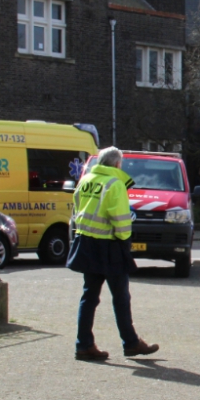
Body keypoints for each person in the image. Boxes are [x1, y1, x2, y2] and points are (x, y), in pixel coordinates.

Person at [67, 147, 159, 361]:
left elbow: (77, 206)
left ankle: (83, 345)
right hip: (109, 245)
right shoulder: (114, 184)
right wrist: (125, 241)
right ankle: (131, 343)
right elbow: (120, 217)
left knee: (89, 296)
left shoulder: (86, 179)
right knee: (121, 297)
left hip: (87, 243)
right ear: (117, 164)